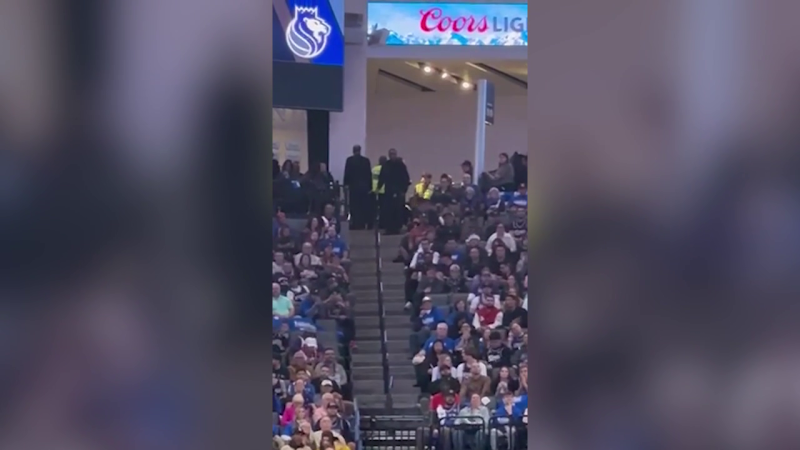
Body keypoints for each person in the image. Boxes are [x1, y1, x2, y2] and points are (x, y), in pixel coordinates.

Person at [377, 148, 411, 234]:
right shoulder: (386, 165)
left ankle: (397, 227)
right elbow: (382, 177)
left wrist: (404, 190)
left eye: (394, 154)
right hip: (388, 191)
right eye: (391, 154)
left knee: (398, 210)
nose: (392, 156)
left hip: (399, 190)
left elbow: (406, 178)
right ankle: (389, 228)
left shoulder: (401, 165)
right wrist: (378, 187)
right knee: (388, 210)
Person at [343, 145, 372, 230]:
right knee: (363, 206)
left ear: (353, 151)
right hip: (364, 187)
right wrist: (370, 187)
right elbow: (369, 174)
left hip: (354, 187)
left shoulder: (350, 160)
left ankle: (356, 223)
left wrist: (346, 184)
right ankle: (363, 223)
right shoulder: (366, 161)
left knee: (354, 206)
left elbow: (347, 173)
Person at [372, 156, 387, 229]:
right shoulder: (386, 169)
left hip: (374, 189)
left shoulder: (374, 169)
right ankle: (383, 222)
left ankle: (374, 222)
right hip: (383, 190)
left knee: (375, 207)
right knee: (383, 208)